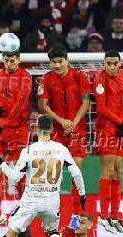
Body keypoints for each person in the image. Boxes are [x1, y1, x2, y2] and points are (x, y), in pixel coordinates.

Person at [0, 114, 86, 237]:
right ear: (53, 130)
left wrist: (0, 164)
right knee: (53, 232)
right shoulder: (61, 149)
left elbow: (15, 177)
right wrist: (81, 193)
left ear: (36, 129)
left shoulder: (29, 150)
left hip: (31, 200)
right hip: (52, 200)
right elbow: (76, 173)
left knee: (10, 235)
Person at [37, 46, 91, 216]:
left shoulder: (79, 76)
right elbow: (42, 105)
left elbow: (86, 102)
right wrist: (62, 122)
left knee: (76, 169)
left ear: (67, 60)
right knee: (53, 172)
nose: (57, 65)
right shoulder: (46, 79)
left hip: (78, 129)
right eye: (53, 62)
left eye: (60, 61)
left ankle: (76, 214)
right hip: (56, 132)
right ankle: (53, 212)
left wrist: (73, 124)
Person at [0, 48, 32, 235]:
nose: (9, 63)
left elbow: (21, 103)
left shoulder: (26, 76)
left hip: (18, 130)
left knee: (20, 173)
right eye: (6, 60)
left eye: (12, 60)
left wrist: (4, 121)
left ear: (19, 60)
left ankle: (24, 216)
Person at [93, 50, 123, 234]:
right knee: (107, 171)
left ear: (120, 63)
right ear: (104, 63)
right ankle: (103, 215)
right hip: (105, 129)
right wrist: (120, 122)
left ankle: (115, 216)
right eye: (108, 63)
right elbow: (100, 107)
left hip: (120, 129)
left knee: (117, 171)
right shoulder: (100, 79)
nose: (112, 67)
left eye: (115, 63)